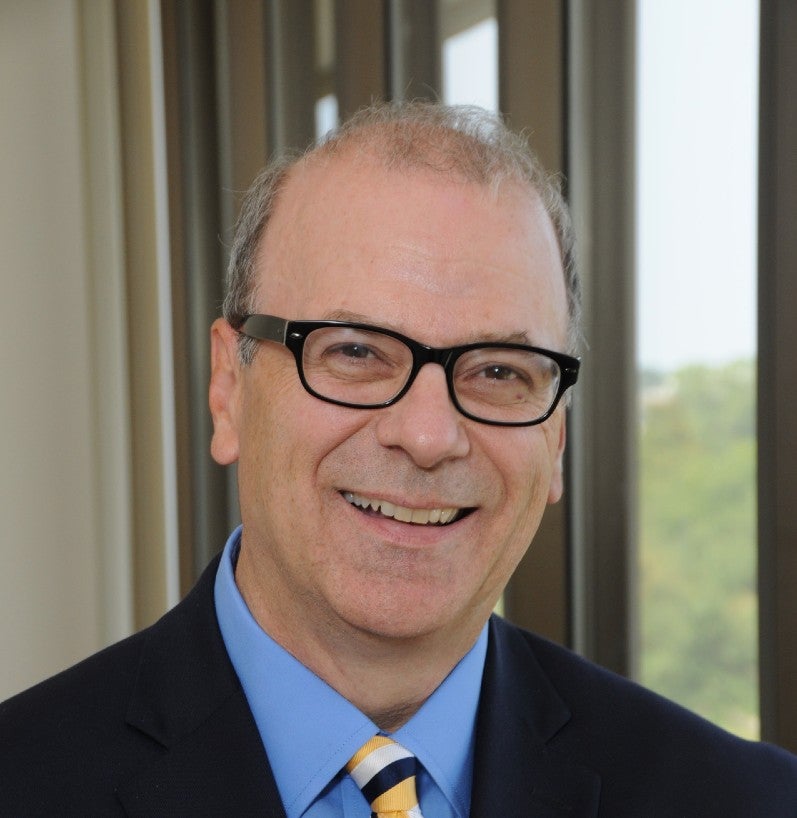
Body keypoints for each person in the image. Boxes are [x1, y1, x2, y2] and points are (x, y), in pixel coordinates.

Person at [1, 101, 795, 817]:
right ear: (227, 389)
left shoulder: (744, 799)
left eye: (497, 372)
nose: (426, 435)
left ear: (553, 439)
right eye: (353, 352)